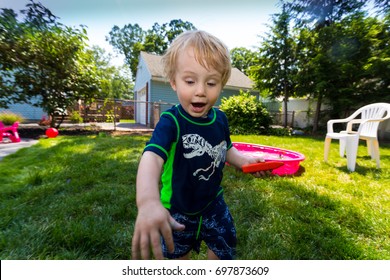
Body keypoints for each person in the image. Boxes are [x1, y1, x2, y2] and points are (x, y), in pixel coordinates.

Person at [131, 30, 265, 260]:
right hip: (177, 210)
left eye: (211, 82)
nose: (201, 91)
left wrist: (245, 161)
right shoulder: (171, 122)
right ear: (174, 82)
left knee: (225, 250)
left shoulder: (220, 119)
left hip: (214, 203)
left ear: (221, 85)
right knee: (176, 258)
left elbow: (226, 148)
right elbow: (152, 157)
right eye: (190, 81)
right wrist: (147, 200)